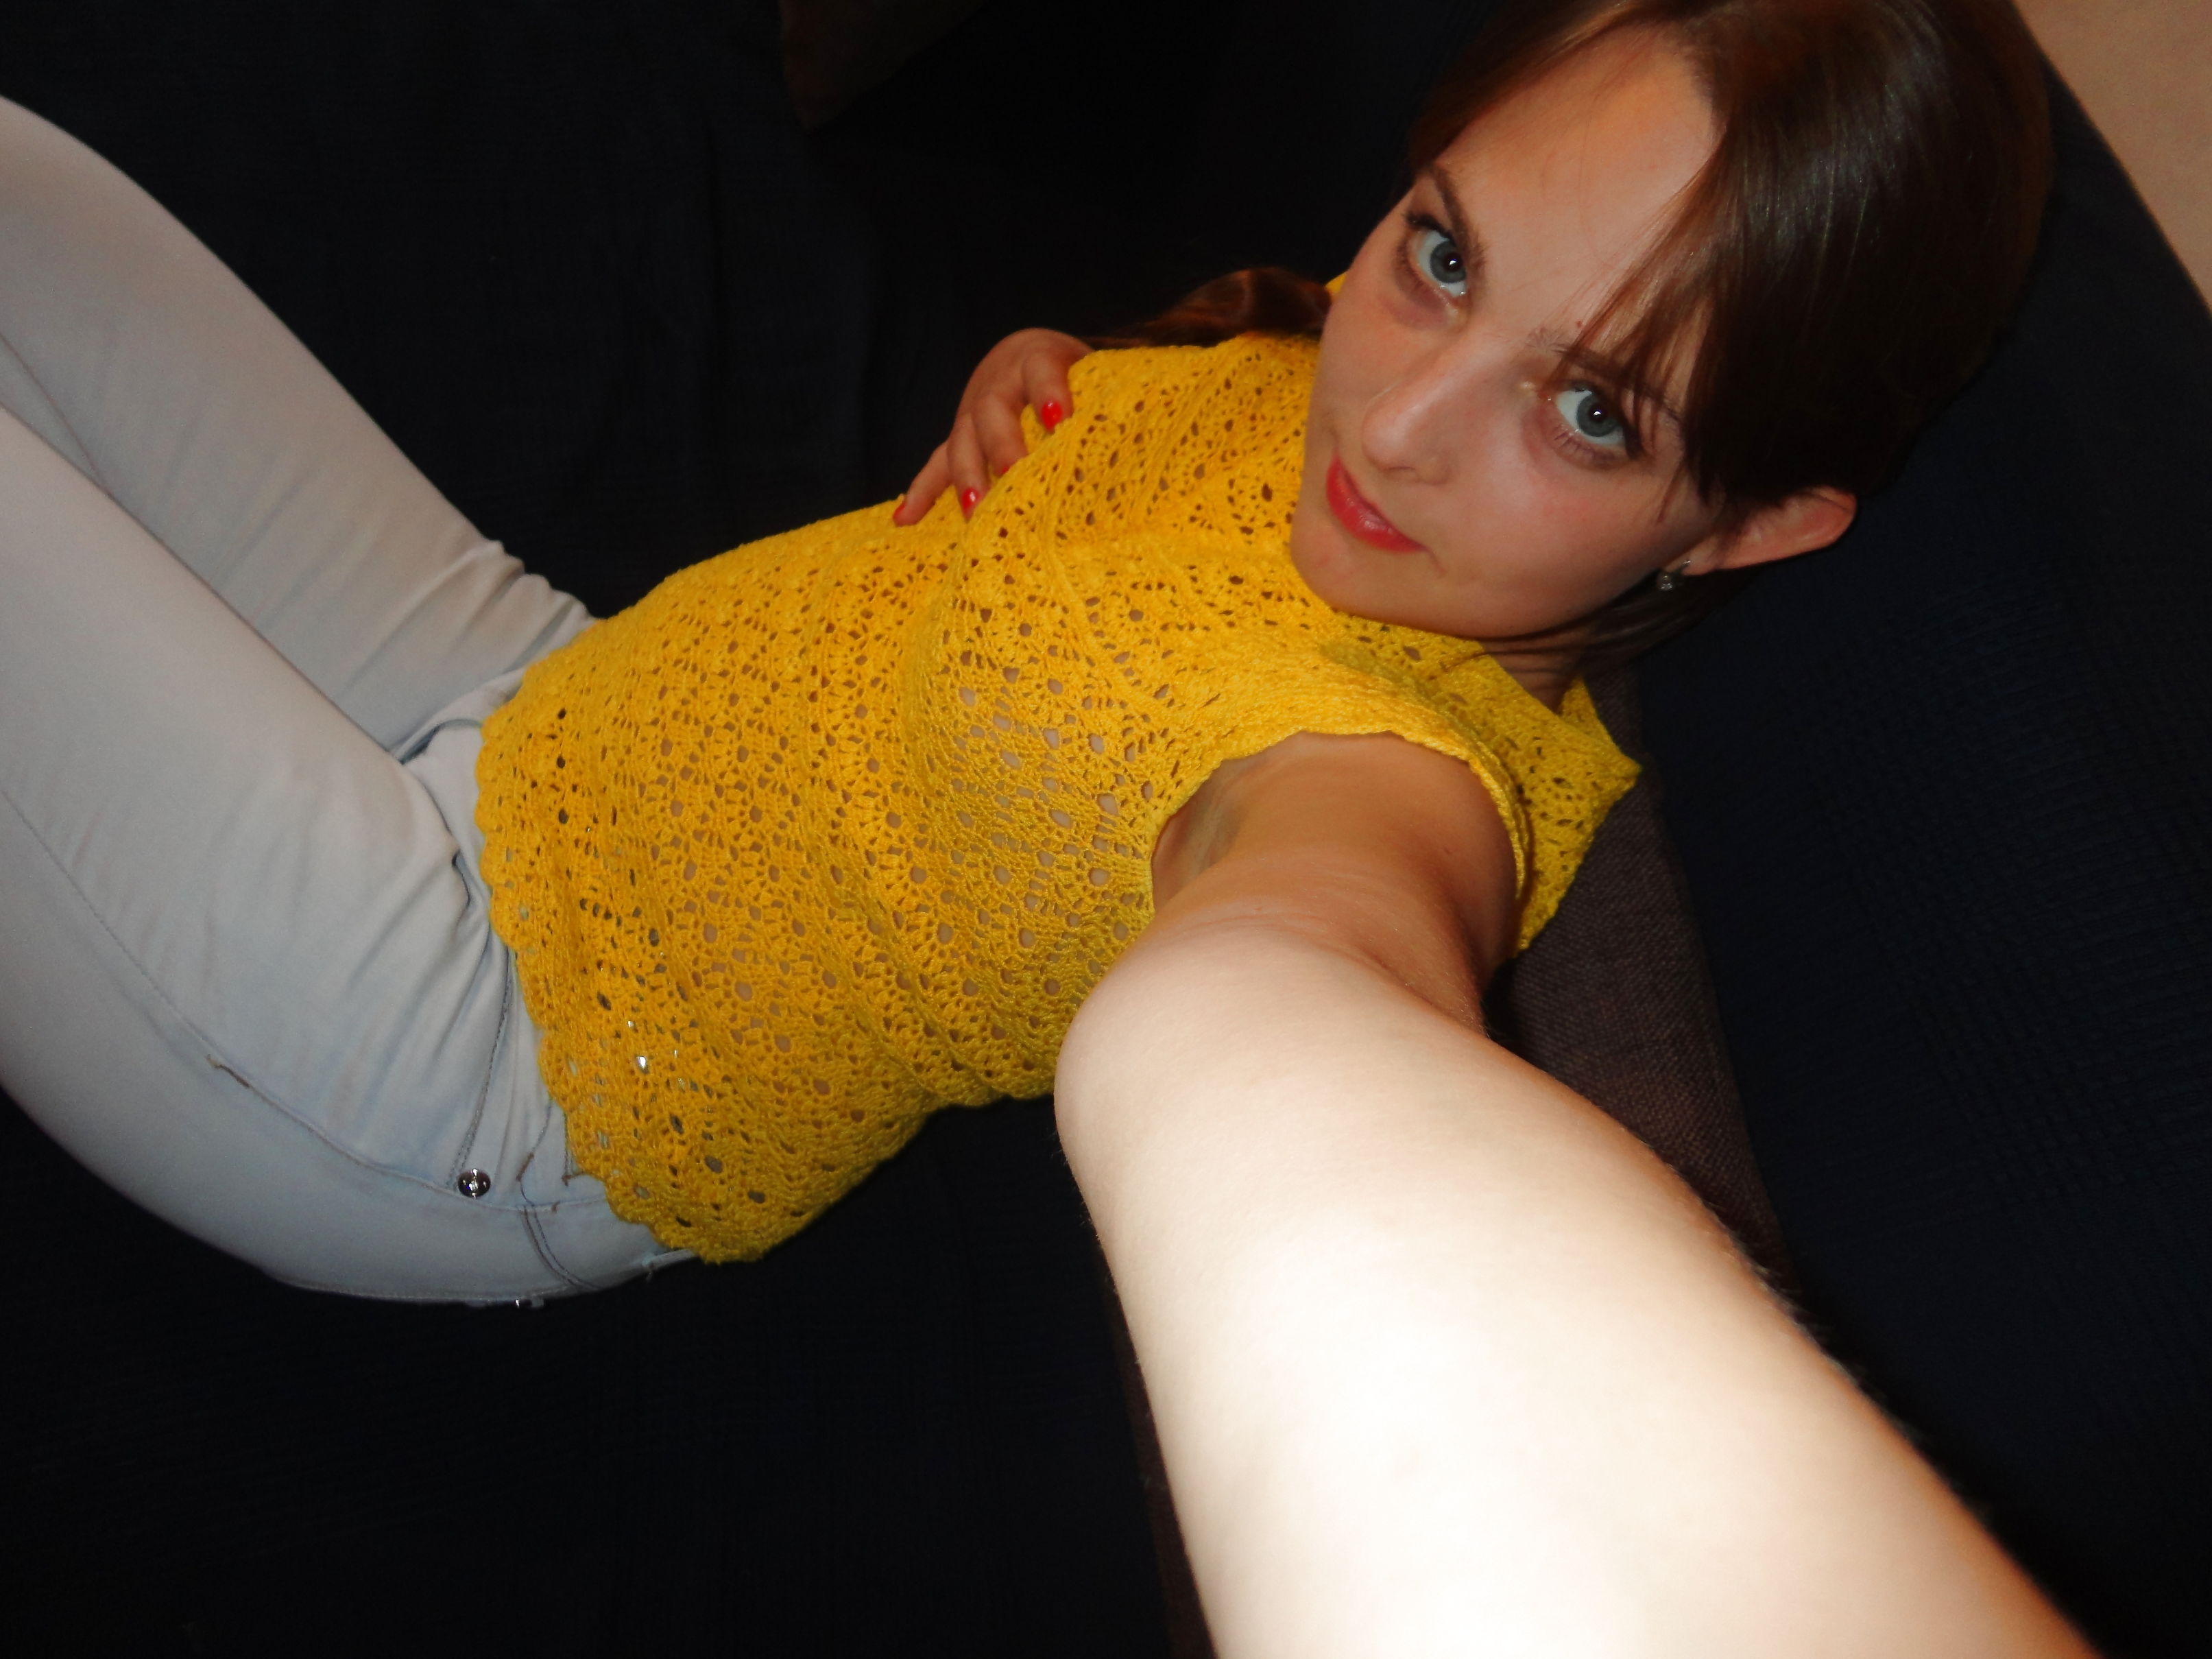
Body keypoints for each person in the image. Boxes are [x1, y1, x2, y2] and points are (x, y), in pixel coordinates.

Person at [0, 0, 2097, 1649]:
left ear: (1752, 522)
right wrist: (1054, 376)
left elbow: (1300, 1007)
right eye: (1444, 250)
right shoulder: (1321, 383)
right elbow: (1224, 396)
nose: (1396, 421)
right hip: (531, 683)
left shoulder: (1383, 780)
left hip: (454, 1034)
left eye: (1589, 412)